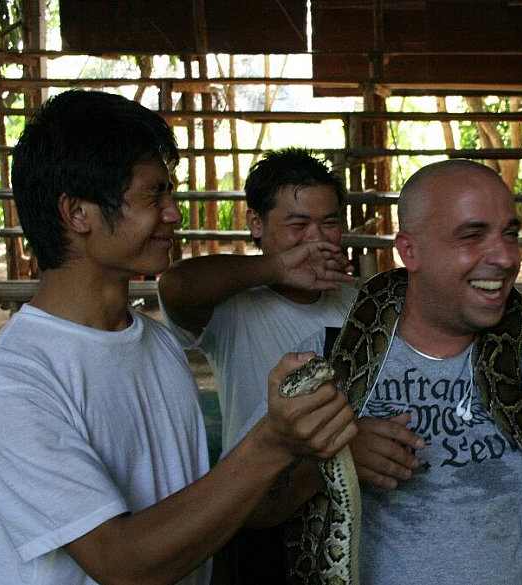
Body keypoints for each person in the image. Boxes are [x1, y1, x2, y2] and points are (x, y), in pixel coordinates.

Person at [0, 90, 357, 585]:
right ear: (77, 212)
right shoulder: (12, 383)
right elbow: (124, 564)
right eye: (153, 195)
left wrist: (331, 455)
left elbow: (207, 510)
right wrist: (271, 443)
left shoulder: (157, 344)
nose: (173, 213)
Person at [228, 159, 522, 585]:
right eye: (472, 236)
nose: (507, 257)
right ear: (410, 251)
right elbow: (248, 509)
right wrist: (332, 457)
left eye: (510, 234)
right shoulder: (323, 361)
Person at [157, 148, 357, 582]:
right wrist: (277, 267)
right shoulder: (232, 307)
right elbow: (175, 284)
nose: (317, 239)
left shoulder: (357, 303)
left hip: (346, 503)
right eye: (297, 225)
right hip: (257, 506)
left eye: (330, 223)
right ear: (255, 225)